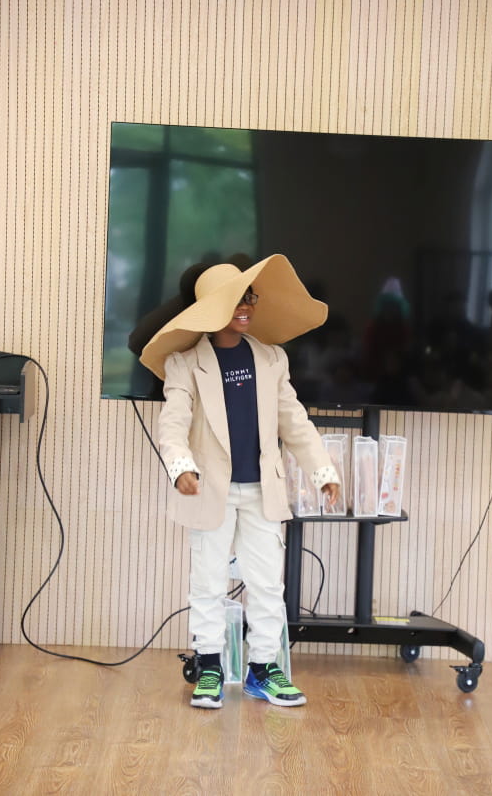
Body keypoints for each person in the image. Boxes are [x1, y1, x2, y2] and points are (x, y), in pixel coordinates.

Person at [140, 254, 340, 709]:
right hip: (209, 491)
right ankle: (209, 666)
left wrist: (322, 470)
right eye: (235, 301)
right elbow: (172, 423)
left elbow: (294, 421)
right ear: (212, 309)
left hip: (262, 491)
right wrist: (180, 467)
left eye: (249, 298)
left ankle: (263, 669)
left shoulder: (271, 359)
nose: (246, 308)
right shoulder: (185, 363)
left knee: (268, 584)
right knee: (207, 581)